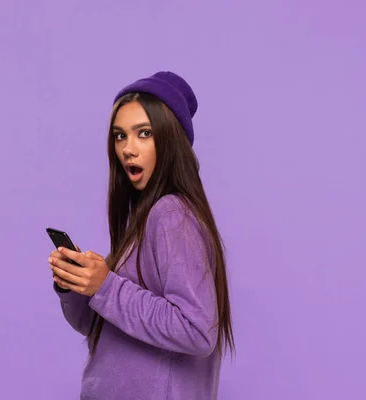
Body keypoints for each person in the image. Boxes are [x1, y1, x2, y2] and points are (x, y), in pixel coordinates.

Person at [48, 71, 234, 400]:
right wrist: (77, 284)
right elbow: (105, 329)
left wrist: (106, 286)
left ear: (170, 139)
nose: (127, 149)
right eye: (120, 136)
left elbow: (197, 330)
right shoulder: (143, 221)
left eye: (143, 133)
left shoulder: (171, 214)